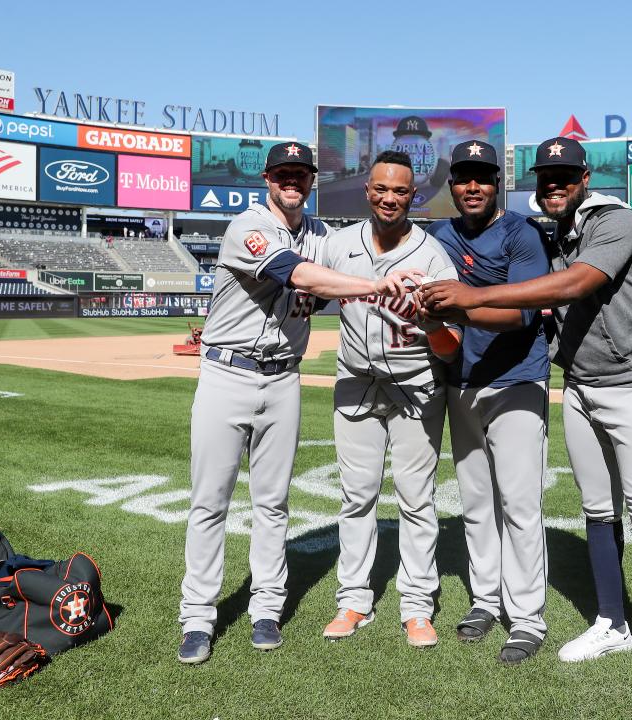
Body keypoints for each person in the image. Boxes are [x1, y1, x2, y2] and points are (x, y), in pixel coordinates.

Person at [421, 137, 632, 706]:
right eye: (547, 177)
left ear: (585, 177)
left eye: (565, 176)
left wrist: (471, 295)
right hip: (582, 387)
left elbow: (574, 285)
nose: (555, 185)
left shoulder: (616, 221)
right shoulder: (553, 232)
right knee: (597, 510)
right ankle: (612, 624)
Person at [178, 142, 425, 665]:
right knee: (210, 502)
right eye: (283, 173)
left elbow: (362, 251)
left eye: (301, 174)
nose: (292, 182)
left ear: (311, 180)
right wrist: (380, 284)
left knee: (272, 503)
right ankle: (198, 617)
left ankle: (267, 608)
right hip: (228, 373)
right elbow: (299, 275)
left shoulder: (322, 235)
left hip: (283, 378)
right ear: (267, 178)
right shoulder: (246, 226)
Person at [318, 150, 462, 650]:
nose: (390, 198)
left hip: (416, 388)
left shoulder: (432, 256)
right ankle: (353, 600)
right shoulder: (336, 246)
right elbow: (305, 288)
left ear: (413, 197)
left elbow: (453, 344)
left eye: (400, 191)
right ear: (367, 190)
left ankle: (417, 607)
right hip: (356, 385)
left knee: (416, 500)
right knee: (356, 497)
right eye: (381, 188)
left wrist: (431, 322)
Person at [426, 140, 552, 664]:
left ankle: (526, 619)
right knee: (476, 504)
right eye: (463, 178)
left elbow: (523, 314)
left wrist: (462, 304)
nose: (472, 187)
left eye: (482, 177)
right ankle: (485, 599)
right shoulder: (439, 235)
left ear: (496, 182)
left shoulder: (521, 234)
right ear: (452, 185)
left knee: (519, 505)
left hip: (517, 381)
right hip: (462, 382)